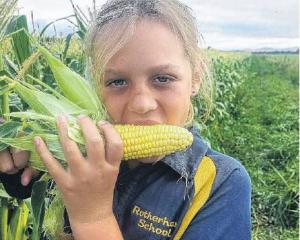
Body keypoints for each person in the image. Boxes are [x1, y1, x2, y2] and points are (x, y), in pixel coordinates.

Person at [0, 0, 252, 239]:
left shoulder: (221, 183)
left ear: (195, 78)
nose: (141, 104)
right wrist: (17, 157)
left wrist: (92, 218)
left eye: (162, 78)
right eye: (117, 82)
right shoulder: (78, 149)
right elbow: (21, 187)